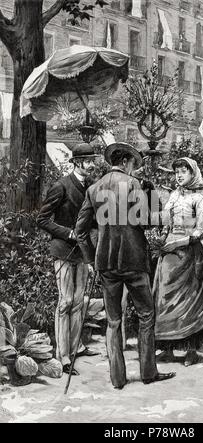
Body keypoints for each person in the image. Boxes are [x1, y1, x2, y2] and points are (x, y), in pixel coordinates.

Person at [75, 142, 176, 390]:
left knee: (112, 321)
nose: (133, 169)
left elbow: (79, 232)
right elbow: (145, 221)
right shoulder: (133, 185)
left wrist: (90, 260)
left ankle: (117, 379)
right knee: (146, 316)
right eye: (133, 164)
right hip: (134, 262)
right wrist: (160, 209)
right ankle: (148, 373)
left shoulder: (93, 189)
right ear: (126, 163)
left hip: (106, 264)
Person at [37, 143, 100, 376]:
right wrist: (68, 233)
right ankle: (62, 356)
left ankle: (76, 348)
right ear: (76, 163)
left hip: (83, 253)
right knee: (64, 303)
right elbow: (42, 219)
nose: (92, 165)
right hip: (63, 251)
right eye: (88, 161)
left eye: (93, 160)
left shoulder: (92, 188)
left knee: (79, 301)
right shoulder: (60, 186)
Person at [154, 158, 203, 367]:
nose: (180, 175)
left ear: (193, 174)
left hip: (190, 254)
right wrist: (161, 236)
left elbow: (200, 230)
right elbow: (166, 223)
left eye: (184, 171)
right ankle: (168, 349)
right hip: (169, 255)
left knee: (190, 301)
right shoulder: (173, 196)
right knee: (164, 299)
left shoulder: (199, 199)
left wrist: (181, 242)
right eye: (177, 172)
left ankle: (191, 350)